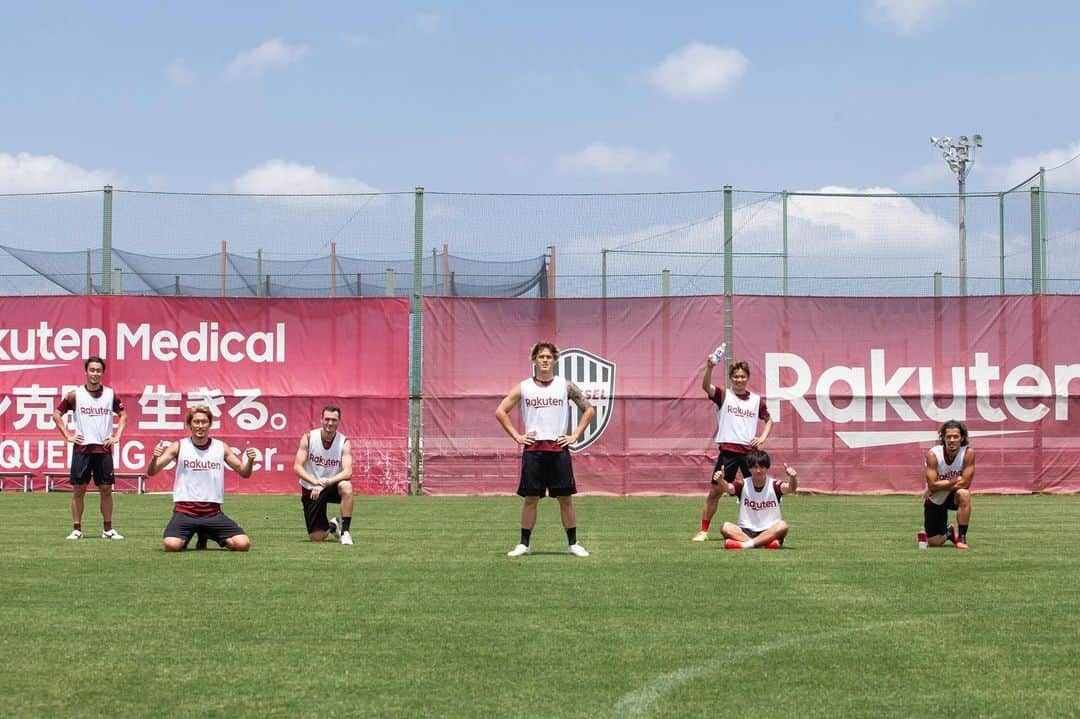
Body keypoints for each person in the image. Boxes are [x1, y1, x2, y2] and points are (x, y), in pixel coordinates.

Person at [495, 342, 595, 558]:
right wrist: (517, 436)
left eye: (549, 357)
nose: (545, 360)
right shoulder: (524, 387)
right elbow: (501, 411)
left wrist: (575, 435)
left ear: (555, 360)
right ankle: (524, 544)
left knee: (565, 499)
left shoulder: (565, 386)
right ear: (534, 360)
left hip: (558, 450)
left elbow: (588, 410)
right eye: (541, 357)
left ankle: (573, 544)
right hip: (533, 451)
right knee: (531, 499)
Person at [146, 405, 257, 552]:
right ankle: (188, 536)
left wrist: (250, 461)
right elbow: (152, 472)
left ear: (210, 424)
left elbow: (244, 473)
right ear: (189, 424)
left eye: (204, 422)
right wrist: (154, 458)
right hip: (185, 512)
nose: (200, 426)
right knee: (171, 545)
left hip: (212, 513)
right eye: (196, 422)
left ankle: (205, 533)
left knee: (243, 545)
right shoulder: (178, 446)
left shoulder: (220, 447)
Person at [692, 352, 773, 541]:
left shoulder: (756, 400)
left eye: (742, 376)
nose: (739, 379)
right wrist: (710, 367)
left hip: (750, 455)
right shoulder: (723, 395)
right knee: (715, 492)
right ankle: (703, 530)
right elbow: (706, 386)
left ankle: (760, 530)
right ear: (731, 378)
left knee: (755, 495)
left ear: (748, 378)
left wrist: (762, 437)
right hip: (727, 453)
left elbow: (769, 420)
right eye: (736, 376)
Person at [52, 356, 128, 540]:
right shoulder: (75, 394)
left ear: (103, 373)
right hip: (82, 449)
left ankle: (108, 530)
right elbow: (56, 414)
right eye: (91, 370)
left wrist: (117, 436)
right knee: (79, 490)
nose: (95, 373)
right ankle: (77, 529)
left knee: (106, 490)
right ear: (85, 372)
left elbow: (123, 415)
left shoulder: (110, 394)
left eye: (98, 370)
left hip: (103, 449)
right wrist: (68, 435)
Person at [293, 405, 355, 545]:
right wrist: (316, 482)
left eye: (334, 420)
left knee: (346, 486)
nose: (330, 423)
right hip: (312, 487)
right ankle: (333, 525)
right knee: (316, 537)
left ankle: (345, 532)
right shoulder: (309, 437)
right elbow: (297, 467)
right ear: (321, 419)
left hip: (331, 485)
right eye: (327, 419)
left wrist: (327, 482)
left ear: (339, 421)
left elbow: (347, 472)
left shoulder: (344, 442)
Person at [714, 449, 796, 549]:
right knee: (725, 527)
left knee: (782, 526)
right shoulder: (743, 484)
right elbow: (729, 489)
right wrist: (721, 480)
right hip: (746, 530)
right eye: (755, 467)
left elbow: (791, 489)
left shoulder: (774, 485)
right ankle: (764, 543)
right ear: (749, 468)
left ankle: (745, 545)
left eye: (762, 467)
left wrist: (792, 477)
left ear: (767, 467)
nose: (758, 470)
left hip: (769, 529)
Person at [922, 419, 974, 549]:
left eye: (955, 436)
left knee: (964, 494)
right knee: (934, 542)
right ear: (943, 438)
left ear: (962, 438)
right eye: (948, 437)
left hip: (952, 495)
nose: (952, 440)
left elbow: (966, 483)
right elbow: (932, 485)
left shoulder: (968, 453)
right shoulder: (933, 454)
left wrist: (941, 485)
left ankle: (962, 538)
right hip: (935, 498)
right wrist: (956, 480)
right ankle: (949, 532)